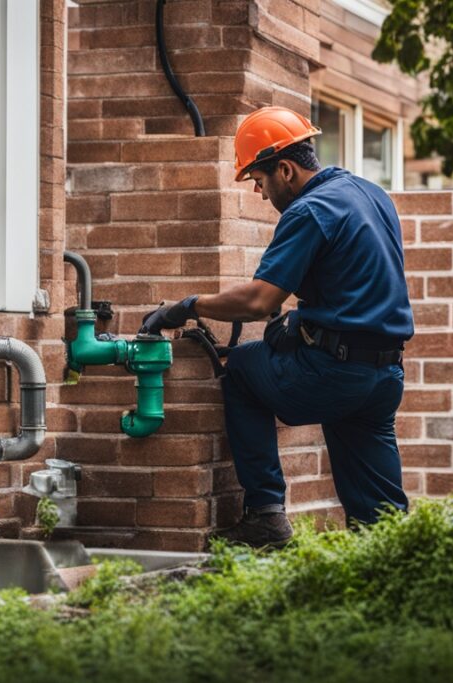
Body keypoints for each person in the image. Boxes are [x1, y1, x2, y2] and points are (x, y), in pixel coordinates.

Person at [141, 106, 413, 548]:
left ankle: (265, 515)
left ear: (285, 169)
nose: (260, 193)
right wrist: (303, 320)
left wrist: (187, 307)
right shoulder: (370, 194)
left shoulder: (310, 211)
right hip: (383, 376)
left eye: (260, 180)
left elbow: (259, 300)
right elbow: (359, 282)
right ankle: (395, 576)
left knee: (244, 368)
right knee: (382, 522)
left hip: (335, 374)